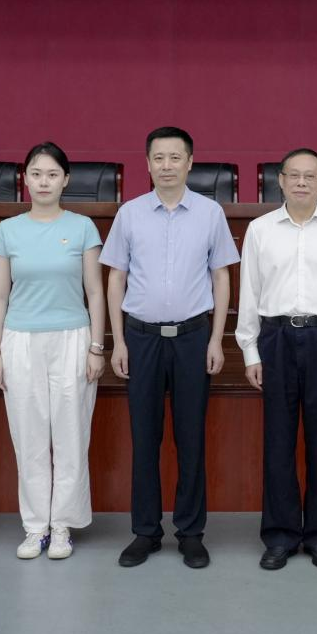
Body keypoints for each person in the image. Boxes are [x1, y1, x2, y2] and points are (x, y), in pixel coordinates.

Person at [101, 126, 239, 570]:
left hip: (193, 337)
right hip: (140, 338)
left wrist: (216, 339)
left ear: (190, 162)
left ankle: (191, 533)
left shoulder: (210, 213)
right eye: (158, 158)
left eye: (175, 157)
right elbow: (116, 278)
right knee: (145, 438)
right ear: (147, 163)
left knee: (190, 437)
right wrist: (118, 341)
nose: (166, 166)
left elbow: (221, 276)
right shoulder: (129, 214)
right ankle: (145, 531)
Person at [235, 148, 317, 571]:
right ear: (281, 181)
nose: (302, 182)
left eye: (311, 176)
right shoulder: (259, 229)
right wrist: (250, 350)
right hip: (275, 337)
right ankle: (280, 535)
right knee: (278, 442)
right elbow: (249, 292)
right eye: (294, 175)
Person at [0, 143, 106, 560]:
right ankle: (35, 525)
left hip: (72, 338)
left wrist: (96, 347)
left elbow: (95, 291)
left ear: (65, 180)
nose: (43, 182)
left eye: (52, 174)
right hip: (20, 341)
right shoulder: (8, 230)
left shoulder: (82, 227)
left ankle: (62, 526)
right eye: (36, 174)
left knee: (71, 435)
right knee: (29, 437)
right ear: (25, 179)